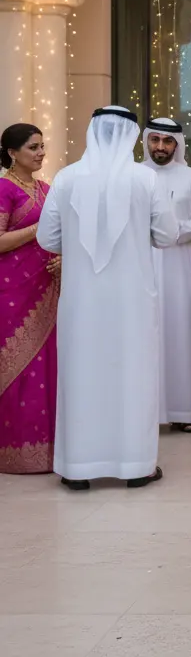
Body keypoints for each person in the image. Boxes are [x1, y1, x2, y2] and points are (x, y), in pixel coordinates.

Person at [36, 107, 178, 489]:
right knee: (133, 375)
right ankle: (136, 466)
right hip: (132, 301)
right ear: (131, 135)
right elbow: (167, 236)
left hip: (82, 301)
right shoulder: (144, 179)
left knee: (82, 375)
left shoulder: (66, 178)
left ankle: (78, 469)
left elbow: (46, 239)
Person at [143, 118, 191, 434]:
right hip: (141, 266)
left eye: (166, 141)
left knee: (180, 334)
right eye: (155, 140)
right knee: (145, 339)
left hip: (178, 267)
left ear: (177, 144)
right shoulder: (134, 175)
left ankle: (183, 410)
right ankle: (144, 412)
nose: (160, 146)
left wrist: (172, 231)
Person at [0, 124, 59, 474]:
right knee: (17, 369)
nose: (40, 153)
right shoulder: (3, 188)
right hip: (12, 293)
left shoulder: (46, 189)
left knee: (46, 366)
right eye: (33, 147)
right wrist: (40, 228)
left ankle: (50, 450)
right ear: (11, 152)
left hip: (46, 289)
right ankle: (12, 453)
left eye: (42, 146)